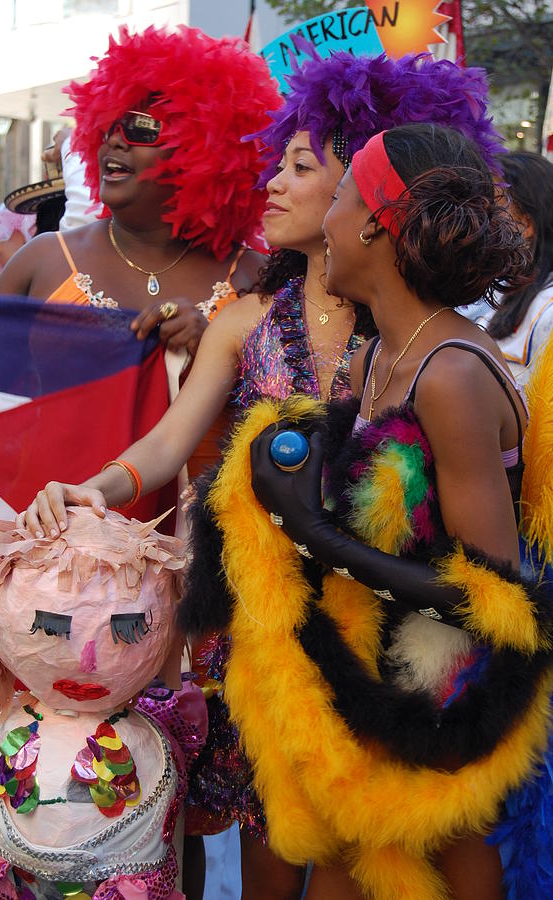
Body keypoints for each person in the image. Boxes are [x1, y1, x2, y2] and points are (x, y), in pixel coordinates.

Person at [17, 53, 508, 900]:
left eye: (302, 167)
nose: (270, 183)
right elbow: (169, 446)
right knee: (269, 858)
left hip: (395, 660)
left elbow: (492, 573)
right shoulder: (251, 317)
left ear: (365, 202)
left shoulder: (417, 345)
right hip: (259, 645)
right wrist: (93, 491)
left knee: (413, 852)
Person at [207, 122, 552, 898]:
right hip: (369, 702)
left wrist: (316, 534)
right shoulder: (375, 358)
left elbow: (492, 599)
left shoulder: (451, 372)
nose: (324, 217)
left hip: (443, 738)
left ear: (371, 222)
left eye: (338, 194)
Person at [0, 25, 280, 363]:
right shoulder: (40, 262)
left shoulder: (256, 277)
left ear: (204, 149)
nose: (115, 141)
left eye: (140, 128)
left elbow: (285, 409)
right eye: (107, 126)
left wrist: (215, 351)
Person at [485, 152, 553, 383]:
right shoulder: (499, 286)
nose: (483, 220)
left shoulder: (548, 311)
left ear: (525, 224)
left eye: (494, 208)